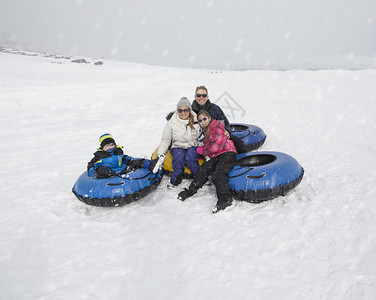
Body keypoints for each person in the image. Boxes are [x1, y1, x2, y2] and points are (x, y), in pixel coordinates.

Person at [177, 110, 237, 213]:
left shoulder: (217, 127)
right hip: (217, 155)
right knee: (204, 168)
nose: (203, 122)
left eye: (204, 119)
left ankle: (225, 199)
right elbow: (209, 147)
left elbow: (216, 146)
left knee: (219, 172)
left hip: (228, 153)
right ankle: (191, 190)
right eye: (200, 120)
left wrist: (203, 150)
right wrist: (200, 150)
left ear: (209, 118)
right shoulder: (205, 131)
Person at [150, 97, 200, 189]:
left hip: (193, 145)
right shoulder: (171, 123)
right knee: (178, 157)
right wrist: (160, 154)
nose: (183, 113)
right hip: (178, 145)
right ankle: (176, 179)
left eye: (185, 110)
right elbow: (166, 140)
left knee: (191, 157)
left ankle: (199, 177)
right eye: (180, 110)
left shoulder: (197, 120)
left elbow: (203, 135)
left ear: (189, 110)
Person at [191, 85, 249, 154]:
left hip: (218, 136)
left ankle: (244, 160)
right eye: (198, 95)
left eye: (204, 95)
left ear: (207, 97)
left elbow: (225, 122)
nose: (201, 97)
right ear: (195, 97)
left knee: (238, 143)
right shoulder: (190, 111)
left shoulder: (215, 108)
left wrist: (227, 130)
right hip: (202, 140)